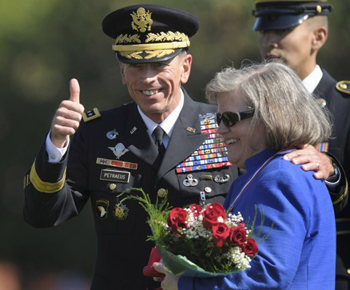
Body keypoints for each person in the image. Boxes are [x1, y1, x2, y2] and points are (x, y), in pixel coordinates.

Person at [23, 4, 337, 290]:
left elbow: (282, 206)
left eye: (159, 65)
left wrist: (327, 166)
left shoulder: (229, 126)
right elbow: (43, 215)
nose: (147, 79)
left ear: (185, 67)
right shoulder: (96, 132)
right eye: (134, 66)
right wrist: (56, 144)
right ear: (121, 72)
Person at [155, 61, 336, 289]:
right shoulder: (269, 171)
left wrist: (185, 284)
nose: (220, 130)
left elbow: (268, 274)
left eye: (230, 119)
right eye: (218, 119)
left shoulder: (279, 177)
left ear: (269, 116)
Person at [252, 0, 350, 287]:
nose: (269, 42)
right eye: (264, 31)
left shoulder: (344, 108)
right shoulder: (249, 109)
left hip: (330, 272)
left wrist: (333, 176)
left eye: (281, 31)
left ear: (317, 37)